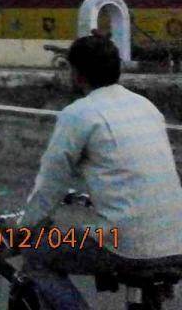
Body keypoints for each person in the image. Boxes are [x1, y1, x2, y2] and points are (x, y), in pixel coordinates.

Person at [16, 34, 182, 309]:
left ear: (78, 74)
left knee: (36, 256)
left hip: (125, 241)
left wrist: (23, 228)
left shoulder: (79, 114)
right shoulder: (146, 107)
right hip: (177, 236)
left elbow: (50, 185)